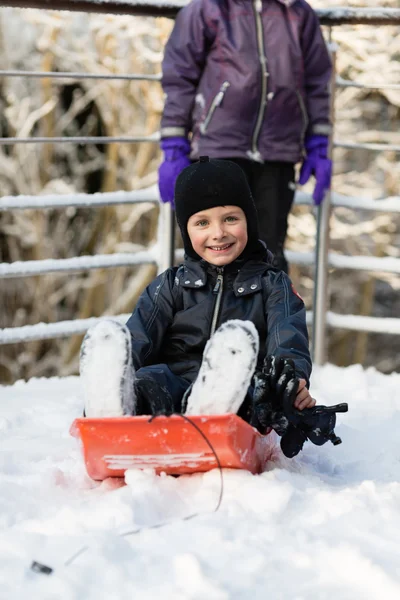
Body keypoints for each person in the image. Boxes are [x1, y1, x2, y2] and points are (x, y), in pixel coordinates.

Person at [81, 158, 343, 458]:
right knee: (149, 380)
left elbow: (288, 337)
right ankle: (115, 405)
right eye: (202, 222)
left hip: (240, 390)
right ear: (187, 230)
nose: (218, 233)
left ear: (250, 220)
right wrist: (126, 365)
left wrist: (290, 379)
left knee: (246, 380)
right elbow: (140, 336)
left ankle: (214, 407)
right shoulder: (170, 285)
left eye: (230, 218)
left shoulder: (273, 285)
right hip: (174, 385)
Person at [158, 0, 333, 272]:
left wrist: (319, 143)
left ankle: (268, 315)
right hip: (217, 148)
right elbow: (179, 77)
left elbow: (317, 82)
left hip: (278, 153)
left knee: (268, 256)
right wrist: (173, 144)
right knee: (214, 254)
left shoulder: (298, 12)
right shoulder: (208, 8)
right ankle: (208, 315)